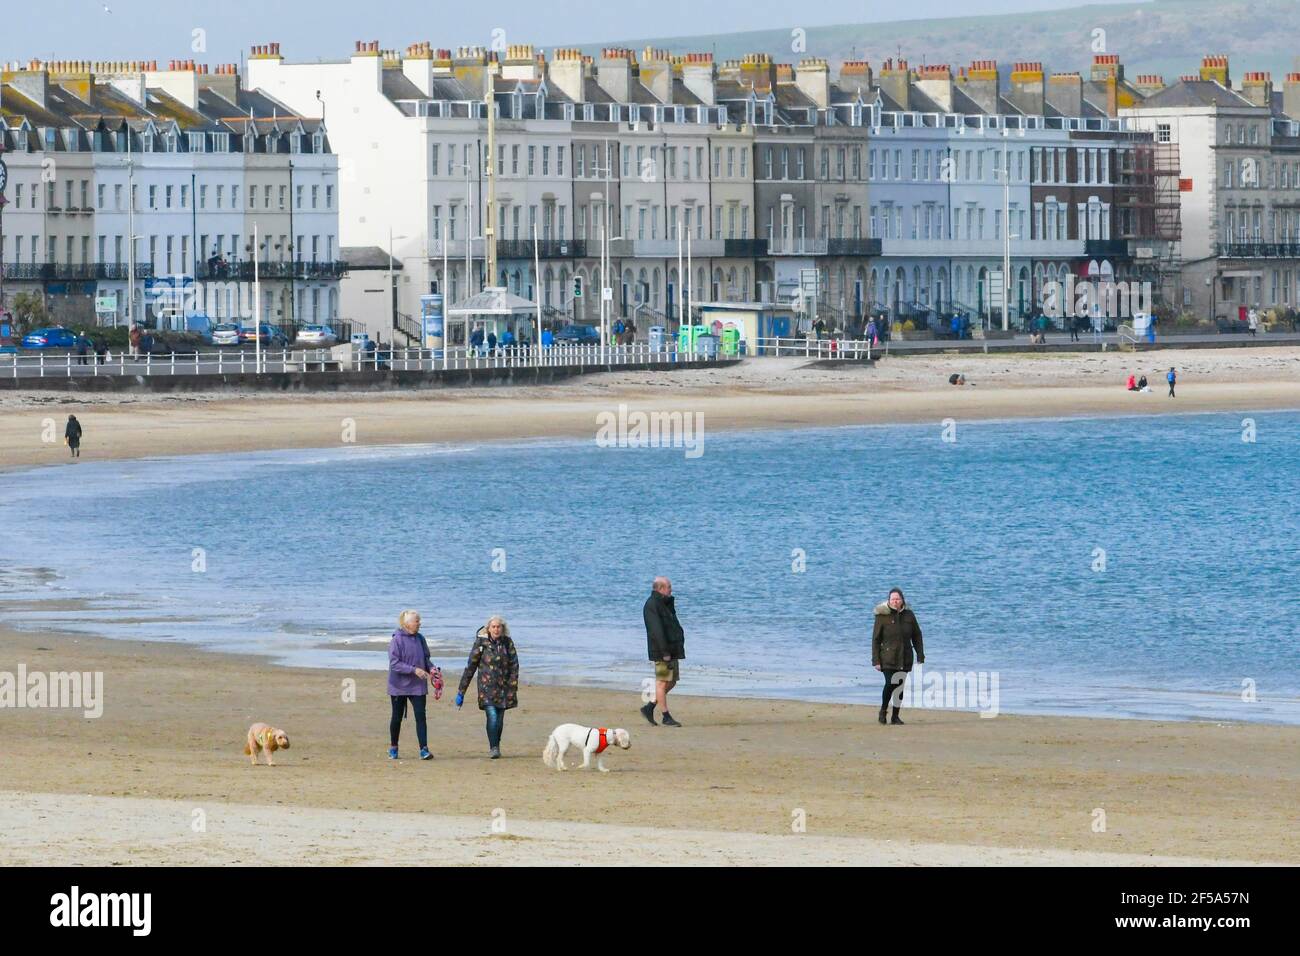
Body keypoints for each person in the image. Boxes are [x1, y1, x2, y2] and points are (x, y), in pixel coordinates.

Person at [455, 616, 519, 759]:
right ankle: (494, 748)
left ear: (503, 628)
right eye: (493, 627)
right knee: (493, 716)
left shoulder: (508, 643)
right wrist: (461, 691)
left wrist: (513, 685)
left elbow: (514, 665)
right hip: (486, 688)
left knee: (500, 720)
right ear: (488, 628)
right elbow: (470, 667)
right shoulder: (481, 644)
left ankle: (496, 744)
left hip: (504, 688)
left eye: (499, 627)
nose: (496, 629)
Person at [387, 609, 441, 760]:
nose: (419, 623)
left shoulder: (420, 639)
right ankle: (393, 747)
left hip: (418, 685)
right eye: (416, 621)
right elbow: (394, 663)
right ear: (407, 623)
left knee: (420, 716)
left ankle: (424, 749)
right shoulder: (396, 640)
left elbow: (426, 659)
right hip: (398, 685)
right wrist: (414, 670)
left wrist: (432, 669)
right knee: (396, 717)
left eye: (419, 620)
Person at [872, 587, 925, 725]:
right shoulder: (881, 616)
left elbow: (917, 635)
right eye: (893, 599)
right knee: (890, 683)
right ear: (889, 601)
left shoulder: (909, 615)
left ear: (902, 600)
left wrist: (920, 655)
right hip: (887, 657)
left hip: (905, 656)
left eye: (898, 599)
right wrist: (876, 660)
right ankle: (883, 711)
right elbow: (876, 640)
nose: (895, 601)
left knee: (899, 687)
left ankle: (895, 716)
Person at [641, 575, 685, 727]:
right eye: (669, 587)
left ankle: (650, 706)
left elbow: (671, 624)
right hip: (661, 650)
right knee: (662, 682)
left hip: (671, 648)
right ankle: (666, 716)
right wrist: (664, 651)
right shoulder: (652, 605)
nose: (671, 589)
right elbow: (656, 630)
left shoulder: (665, 603)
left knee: (672, 681)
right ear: (660, 588)